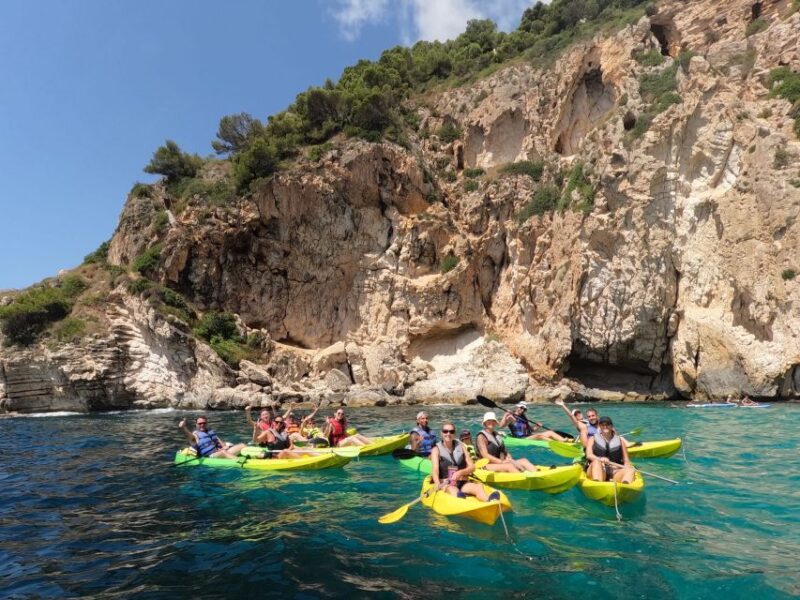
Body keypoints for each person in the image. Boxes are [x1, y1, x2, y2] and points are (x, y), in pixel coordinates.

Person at [430, 421, 497, 502]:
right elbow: (435, 470)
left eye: (451, 431)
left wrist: (460, 473)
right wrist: (438, 484)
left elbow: (472, 467)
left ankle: (489, 501)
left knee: (478, 487)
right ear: (441, 433)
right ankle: (461, 500)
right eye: (445, 431)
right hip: (446, 484)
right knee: (453, 490)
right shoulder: (436, 450)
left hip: (462, 481)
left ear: (454, 433)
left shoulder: (461, 446)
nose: (448, 434)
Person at [585, 416, 636, 484]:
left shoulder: (620, 441)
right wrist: (600, 459)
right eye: (602, 425)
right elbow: (589, 455)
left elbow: (626, 460)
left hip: (614, 472)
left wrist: (627, 466)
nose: (605, 426)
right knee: (596, 462)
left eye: (607, 424)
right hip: (598, 469)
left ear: (611, 426)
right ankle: (598, 486)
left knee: (630, 470)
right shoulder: (592, 439)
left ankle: (625, 488)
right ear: (599, 426)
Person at [178, 416, 247, 459]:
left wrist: (224, 447)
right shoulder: (195, 436)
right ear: (196, 425)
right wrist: (183, 427)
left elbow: (220, 442)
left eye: (204, 423)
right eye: (200, 423)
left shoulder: (210, 432)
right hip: (210, 456)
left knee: (242, 445)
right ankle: (240, 462)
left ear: (206, 423)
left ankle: (255, 457)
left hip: (220, 452)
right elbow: (188, 435)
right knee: (223, 452)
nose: (202, 425)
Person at [499, 401, 568, 442]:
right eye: (521, 408)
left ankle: (563, 440)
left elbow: (530, 430)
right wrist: (505, 415)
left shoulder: (523, 417)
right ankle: (557, 444)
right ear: (518, 407)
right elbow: (501, 426)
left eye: (524, 409)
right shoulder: (511, 417)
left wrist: (537, 426)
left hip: (529, 435)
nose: (522, 410)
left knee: (550, 432)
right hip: (522, 439)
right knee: (539, 435)